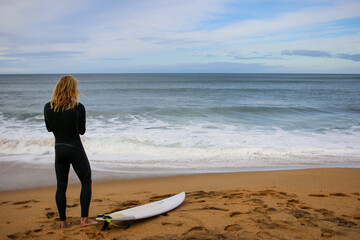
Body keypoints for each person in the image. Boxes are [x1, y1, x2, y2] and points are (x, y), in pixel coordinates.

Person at [44, 75, 98, 228]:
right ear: (73, 89)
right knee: (86, 181)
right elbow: (81, 131)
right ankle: (84, 220)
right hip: (75, 149)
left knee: (61, 186)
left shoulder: (48, 107)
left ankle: (63, 222)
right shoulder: (78, 107)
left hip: (59, 149)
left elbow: (49, 128)